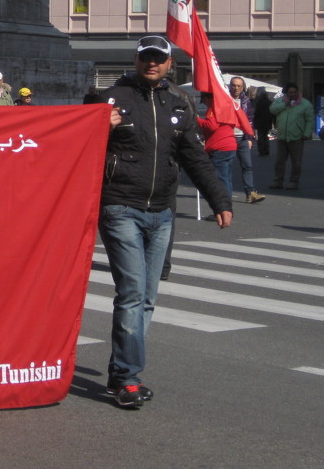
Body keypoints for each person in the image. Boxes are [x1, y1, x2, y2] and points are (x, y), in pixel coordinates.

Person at [98, 35, 232, 408]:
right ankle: (128, 378)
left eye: (159, 59)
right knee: (133, 292)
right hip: (119, 207)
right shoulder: (110, 98)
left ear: (170, 64)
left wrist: (219, 199)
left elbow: (195, 157)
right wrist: (98, 127)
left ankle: (120, 371)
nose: (152, 64)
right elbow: (75, 144)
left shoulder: (179, 102)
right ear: (137, 60)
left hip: (162, 212)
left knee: (148, 299)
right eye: (146, 58)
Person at [268, 83, 315, 190]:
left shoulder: (305, 104)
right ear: (287, 93)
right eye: (290, 93)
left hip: (296, 136)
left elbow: (310, 120)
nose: (292, 94)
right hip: (282, 136)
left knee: (296, 162)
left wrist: (306, 134)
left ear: (297, 92)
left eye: (294, 92)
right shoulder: (281, 100)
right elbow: (272, 109)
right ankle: (278, 181)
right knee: (279, 162)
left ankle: (294, 182)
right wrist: (284, 104)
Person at [197, 93, 237, 205]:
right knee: (226, 178)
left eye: (204, 101)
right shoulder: (224, 106)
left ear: (206, 98)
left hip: (220, 146)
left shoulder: (214, 107)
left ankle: (224, 206)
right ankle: (227, 203)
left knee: (221, 179)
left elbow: (211, 125)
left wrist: (197, 120)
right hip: (229, 145)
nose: (205, 104)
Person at [229, 77, 264, 203]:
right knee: (227, 166)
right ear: (230, 86)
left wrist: (249, 138)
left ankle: (251, 193)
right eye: (234, 85)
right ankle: (225, 194)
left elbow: (249, 119)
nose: (236, 88)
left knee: (247, 166)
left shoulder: (245, 100)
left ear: (242, 87)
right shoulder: (226, 99)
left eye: (239, 86)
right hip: (229, 137)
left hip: (242, 138)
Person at [253, 89, 273, 156]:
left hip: (260, 122)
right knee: (266, 136)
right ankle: (267, 150)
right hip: (267, 122)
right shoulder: (270, 102)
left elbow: (256, 113)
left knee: (261, 137)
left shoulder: (259, 102)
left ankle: (261, 151)